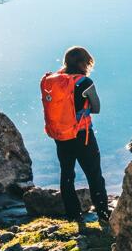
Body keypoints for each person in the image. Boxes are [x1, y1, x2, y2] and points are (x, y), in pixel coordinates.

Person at [41, 46, 111, 226]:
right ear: (83, 63)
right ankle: (103, 215)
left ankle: (74, 216)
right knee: (94, 175)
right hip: (82, 135)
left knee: (67, 175)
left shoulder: (54, 81)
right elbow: (96, 108)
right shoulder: (85, 82)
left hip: (61, 135)